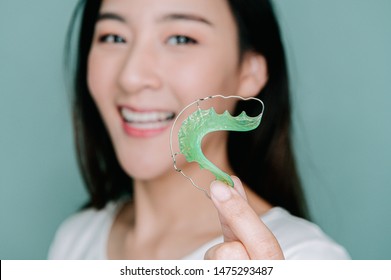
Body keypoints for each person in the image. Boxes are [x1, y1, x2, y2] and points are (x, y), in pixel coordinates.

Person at [49, 0, 350, 259]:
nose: (131, 76)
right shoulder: (75, 239)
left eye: (180, 39)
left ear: (250, 71)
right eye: (113, 37)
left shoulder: (307, 259)